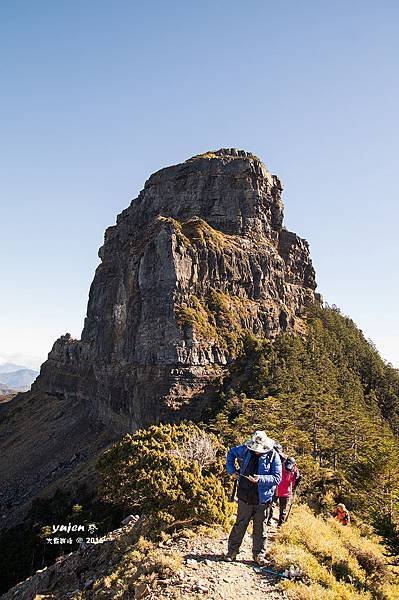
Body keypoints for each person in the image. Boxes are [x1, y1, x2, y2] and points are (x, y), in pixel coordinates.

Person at [225, 430, 282, 564]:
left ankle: (259, 555)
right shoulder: (245, 450)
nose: (257, 452)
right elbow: (231, 453)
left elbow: (277, 478)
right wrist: (231, 471)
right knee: (240, 525)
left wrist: (260, 479)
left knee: (260, 528)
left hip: (263, 498)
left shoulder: (273, 456)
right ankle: (232, 551)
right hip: (245, 494)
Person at [274, 457, 301, 526]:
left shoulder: (294, 471)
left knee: (281, 510)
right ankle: (271, 522)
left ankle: (279, 525)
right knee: (273, 507)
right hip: (278, 490)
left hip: (283, 492)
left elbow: (295, 482)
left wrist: (298, 479)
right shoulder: (280, 466)